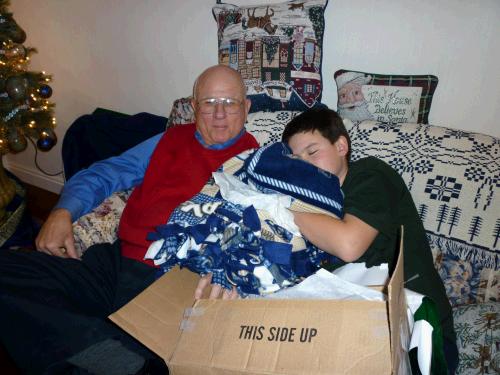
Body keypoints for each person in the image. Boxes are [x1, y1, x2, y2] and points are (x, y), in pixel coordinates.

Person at [0, 64, 259, 374]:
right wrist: (62, 211)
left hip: (171, 280)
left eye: (230, 102)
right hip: (114, 261)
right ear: (194, 106)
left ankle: (105, 351)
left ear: (246, 107)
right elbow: (105, 174)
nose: (219, 114)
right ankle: (112, 353)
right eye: (209, 103)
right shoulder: (168, 139)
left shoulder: (260, 163)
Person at [279, 106, 458, 374]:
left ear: (341, 146)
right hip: (355, 334)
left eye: (312, 152)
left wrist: (282, 207)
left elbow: (349, 246)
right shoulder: (317, 206)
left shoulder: (369, 174)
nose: (303, 165)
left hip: (422, 338)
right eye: (296, 159)